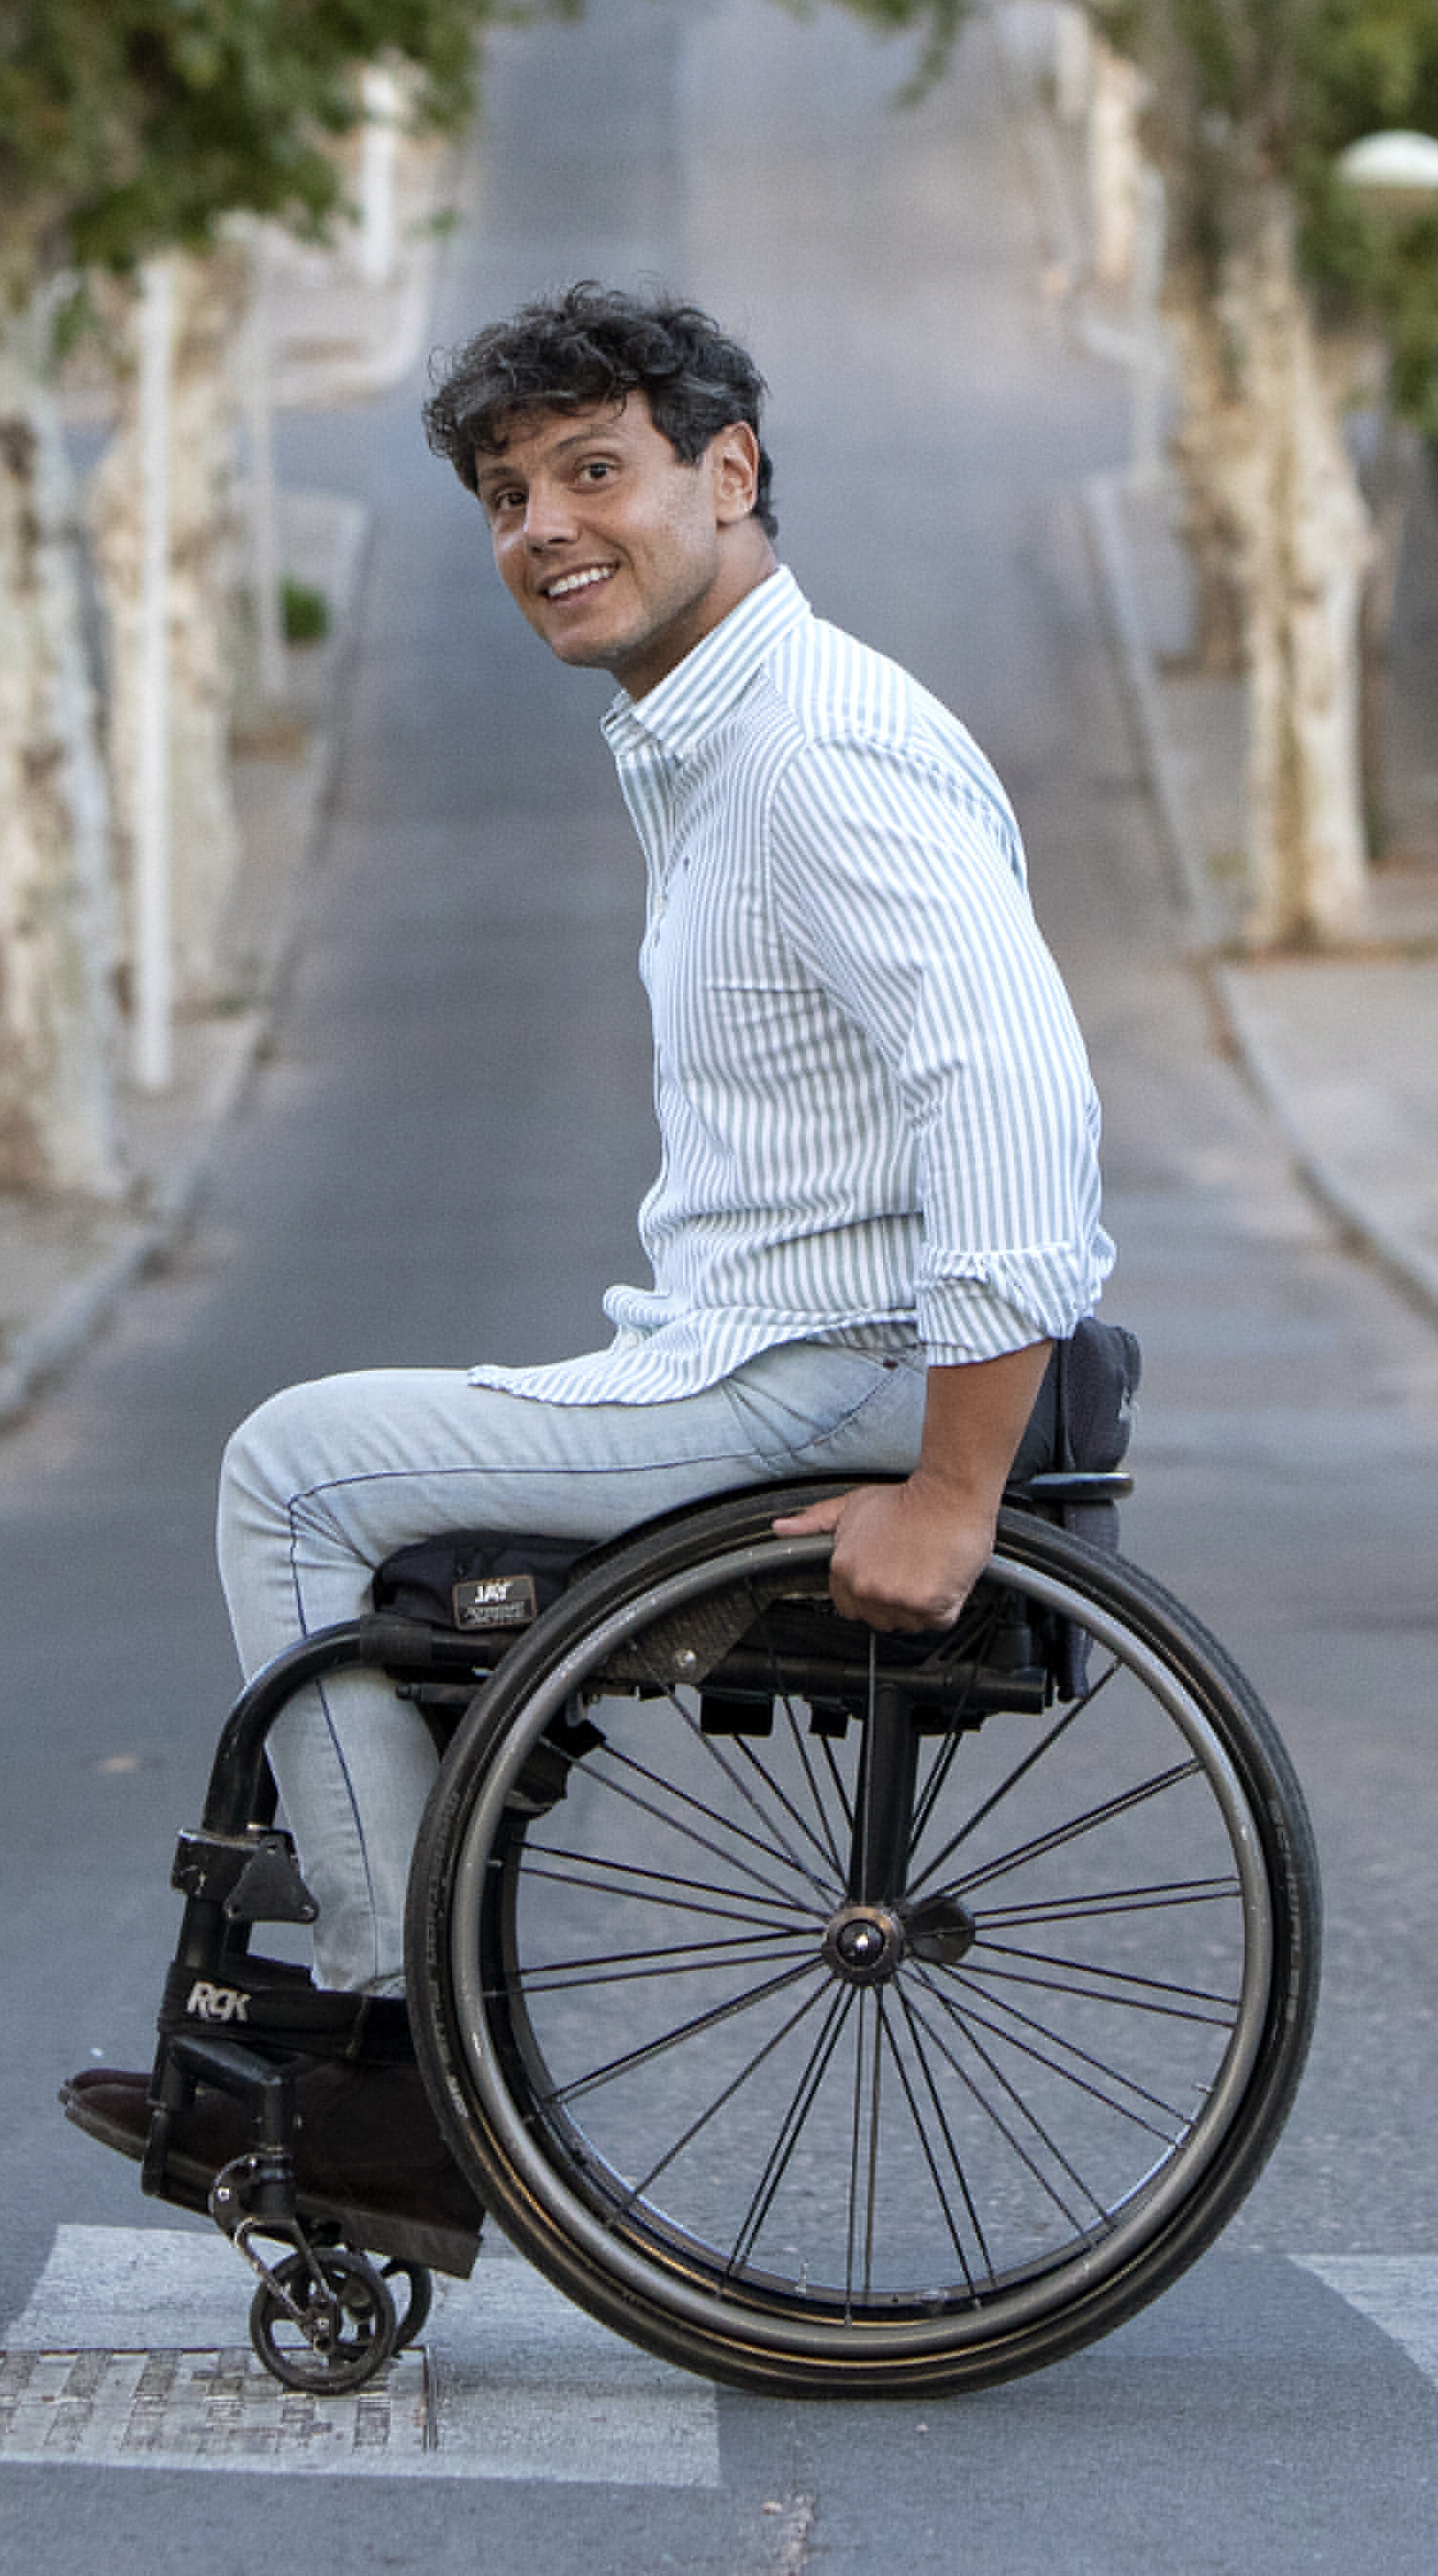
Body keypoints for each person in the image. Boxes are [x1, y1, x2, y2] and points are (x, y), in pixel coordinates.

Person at [61, 281, 1115, 2246]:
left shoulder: (811, 749)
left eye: (593, 469)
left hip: (834, 1368)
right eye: (504, 489)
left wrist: (955, 1487)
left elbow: (1013, 1092)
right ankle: (407, 2000)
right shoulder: (722, 733)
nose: (543, 523)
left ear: (727, 472)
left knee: (292, 1470)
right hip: (770, 1338)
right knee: (388, 1526)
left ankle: (390, 2064)